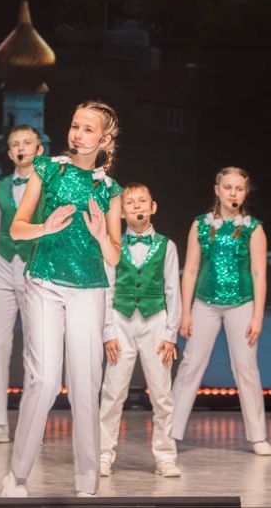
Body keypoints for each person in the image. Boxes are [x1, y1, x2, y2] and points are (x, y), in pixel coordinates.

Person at [1, 101, 123, 499]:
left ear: (104, 139)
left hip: (89, 288)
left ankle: (88, 483)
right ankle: (17, 476)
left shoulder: (110, 190)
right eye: (75, 126)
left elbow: (114, 256)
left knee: (85, 383)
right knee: (44, 379)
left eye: (88, 129)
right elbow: (17, 229)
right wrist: (45, 227)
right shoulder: (47, 169)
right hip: (45, 282)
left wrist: (102, 237)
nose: (78, 134)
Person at [170, 166, 271, 455]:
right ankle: (170, 432)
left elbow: (259, 273)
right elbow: (190, 270)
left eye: (239, 189)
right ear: (217, 190)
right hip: (205, 302)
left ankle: (257, 436)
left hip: (242, 302)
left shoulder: (253, 228)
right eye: (228, 188)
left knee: (246, 367)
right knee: (191, 364)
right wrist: (186, 312)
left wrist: (258, 316)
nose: (233, 193)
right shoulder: (200, 225)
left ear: (246, 192)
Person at [98, 182, 181, 477]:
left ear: (153, 207)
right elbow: (107, 288)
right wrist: (108, 331)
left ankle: (165, 456)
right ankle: (103, 454)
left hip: (155, 322)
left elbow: (173, 291)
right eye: (130, 203)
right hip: (121, 322)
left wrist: (171, 333)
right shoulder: (114, 244)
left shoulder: (167, 246)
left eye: (142, 201)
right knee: (113, 393)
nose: (137, 207)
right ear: (121, 212)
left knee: (162, 395)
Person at [0, 124, 42, 445]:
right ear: (10, 152)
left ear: (39, 150)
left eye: (27, 143)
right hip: (2, 266)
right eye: (15, 143)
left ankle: (31, 424)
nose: (21, 148)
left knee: (35, 347)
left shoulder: (47, 186)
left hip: (34, 268)